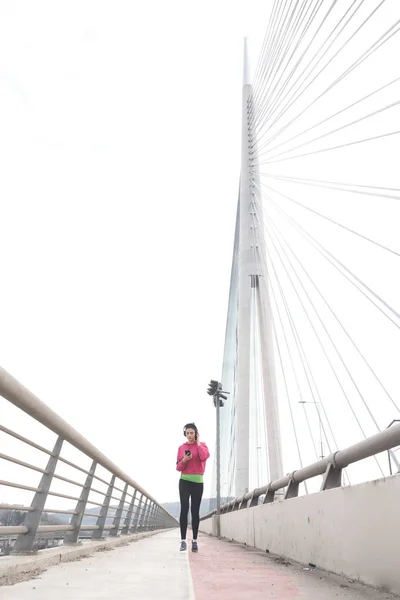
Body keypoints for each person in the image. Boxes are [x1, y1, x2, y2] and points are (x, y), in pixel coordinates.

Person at [176, 422, 210, 552]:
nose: (189, 435)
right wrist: (184, 459)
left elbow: (204, 456)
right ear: (185, 434)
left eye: (192, 433)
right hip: (184, 481)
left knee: (195, 511)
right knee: (184, 509)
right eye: (188, 433)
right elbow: (178, 467)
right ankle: (183, 540)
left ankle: (195, 541)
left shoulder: (202, 445)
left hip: (198, 482)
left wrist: (198, 443)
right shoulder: (181, 448)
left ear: (196, 434)